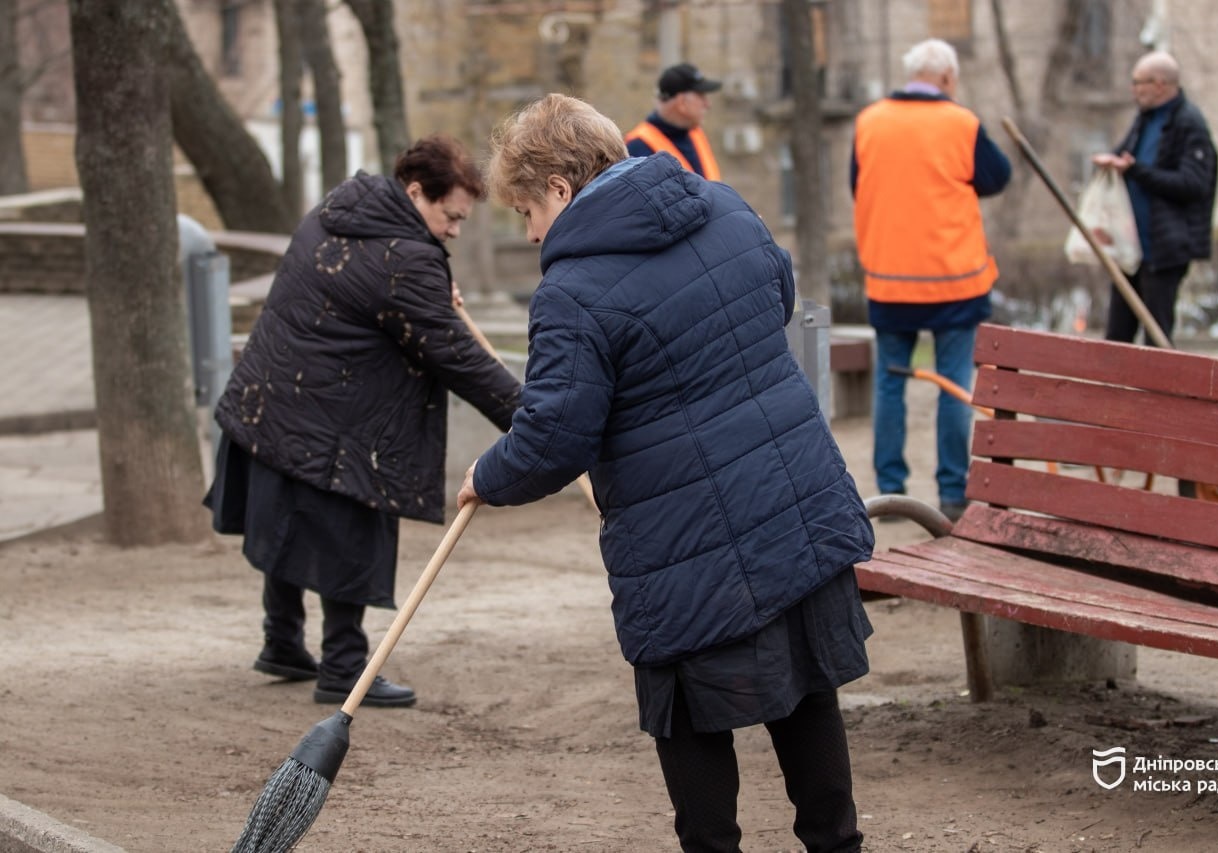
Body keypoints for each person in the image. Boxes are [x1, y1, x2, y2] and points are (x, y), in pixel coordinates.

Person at [460, 93, 875, 853]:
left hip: (682, 537)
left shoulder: (571, 292)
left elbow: (555, 436)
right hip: (790, 496)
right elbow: (776, 292)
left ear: (559, 185)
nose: (529, 233)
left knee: (685, 704)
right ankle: (837, 844)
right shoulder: (723, 205)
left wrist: (487, 475)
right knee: (805, 684)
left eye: (525, 211)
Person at [204, 135, 521, 708]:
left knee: (291, 527)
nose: (453, 230)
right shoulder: (405, 258)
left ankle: (282, 642)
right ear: (415, 191)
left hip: (271, 402)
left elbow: (373, 301)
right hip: (335, 425)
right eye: (450, 216)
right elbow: (457, 357)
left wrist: (428, 288)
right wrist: (532, 419)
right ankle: (344, 668)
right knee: (347, 534)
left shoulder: (339, 210)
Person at [850, 38, 1011, 523]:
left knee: (889, 385)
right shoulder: (961, 123)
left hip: (889, 280)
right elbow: (996, 178)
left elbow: (858, 186)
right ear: (946, 78)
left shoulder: (869, 121)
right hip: (955, 281)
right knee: (954, 384)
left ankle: (892, 493)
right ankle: (952, 492)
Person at [1092, 50, 1218, 346]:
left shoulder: (1189, 123)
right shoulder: (1144, 120)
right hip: (1130, 250)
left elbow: (1194, 183)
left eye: (1139, 83)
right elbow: (1125, 156)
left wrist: (1137, 171)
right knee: (1117, 337)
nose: (1134, 90)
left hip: (1163, 250)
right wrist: (1111, 163)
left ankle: (1154, 394)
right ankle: (1113, 393)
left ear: (1160, 84)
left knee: (1157, 339)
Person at [624, 62, 723, 179]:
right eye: (701, 96)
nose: (707, 104)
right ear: (681, 103)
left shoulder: (695, 133)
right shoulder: (638, 147)